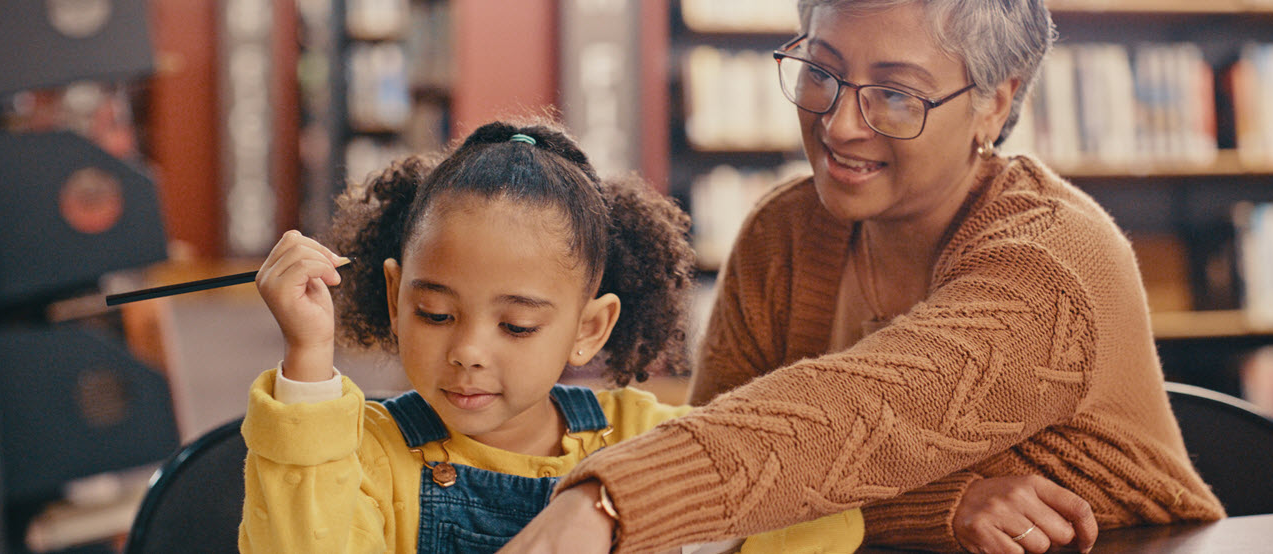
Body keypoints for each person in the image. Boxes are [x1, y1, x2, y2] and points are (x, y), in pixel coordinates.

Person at [500, 1, 1227, 553]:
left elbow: (863, 413)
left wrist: (607, 501)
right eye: (821, 73)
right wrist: (944, 507)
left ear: (993, 103)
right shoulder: (783, 233)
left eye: (896, 95)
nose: (841, 124)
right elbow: (743, 495)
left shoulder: (1053, 262)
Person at [237, 120, 864, 553]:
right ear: (397, 299)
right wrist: (309, 361)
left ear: (588, 329)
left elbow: (818, 520)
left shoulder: (643, 437)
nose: (468, 351)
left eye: (516, 326)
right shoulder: (367, 453)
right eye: (434, 312)